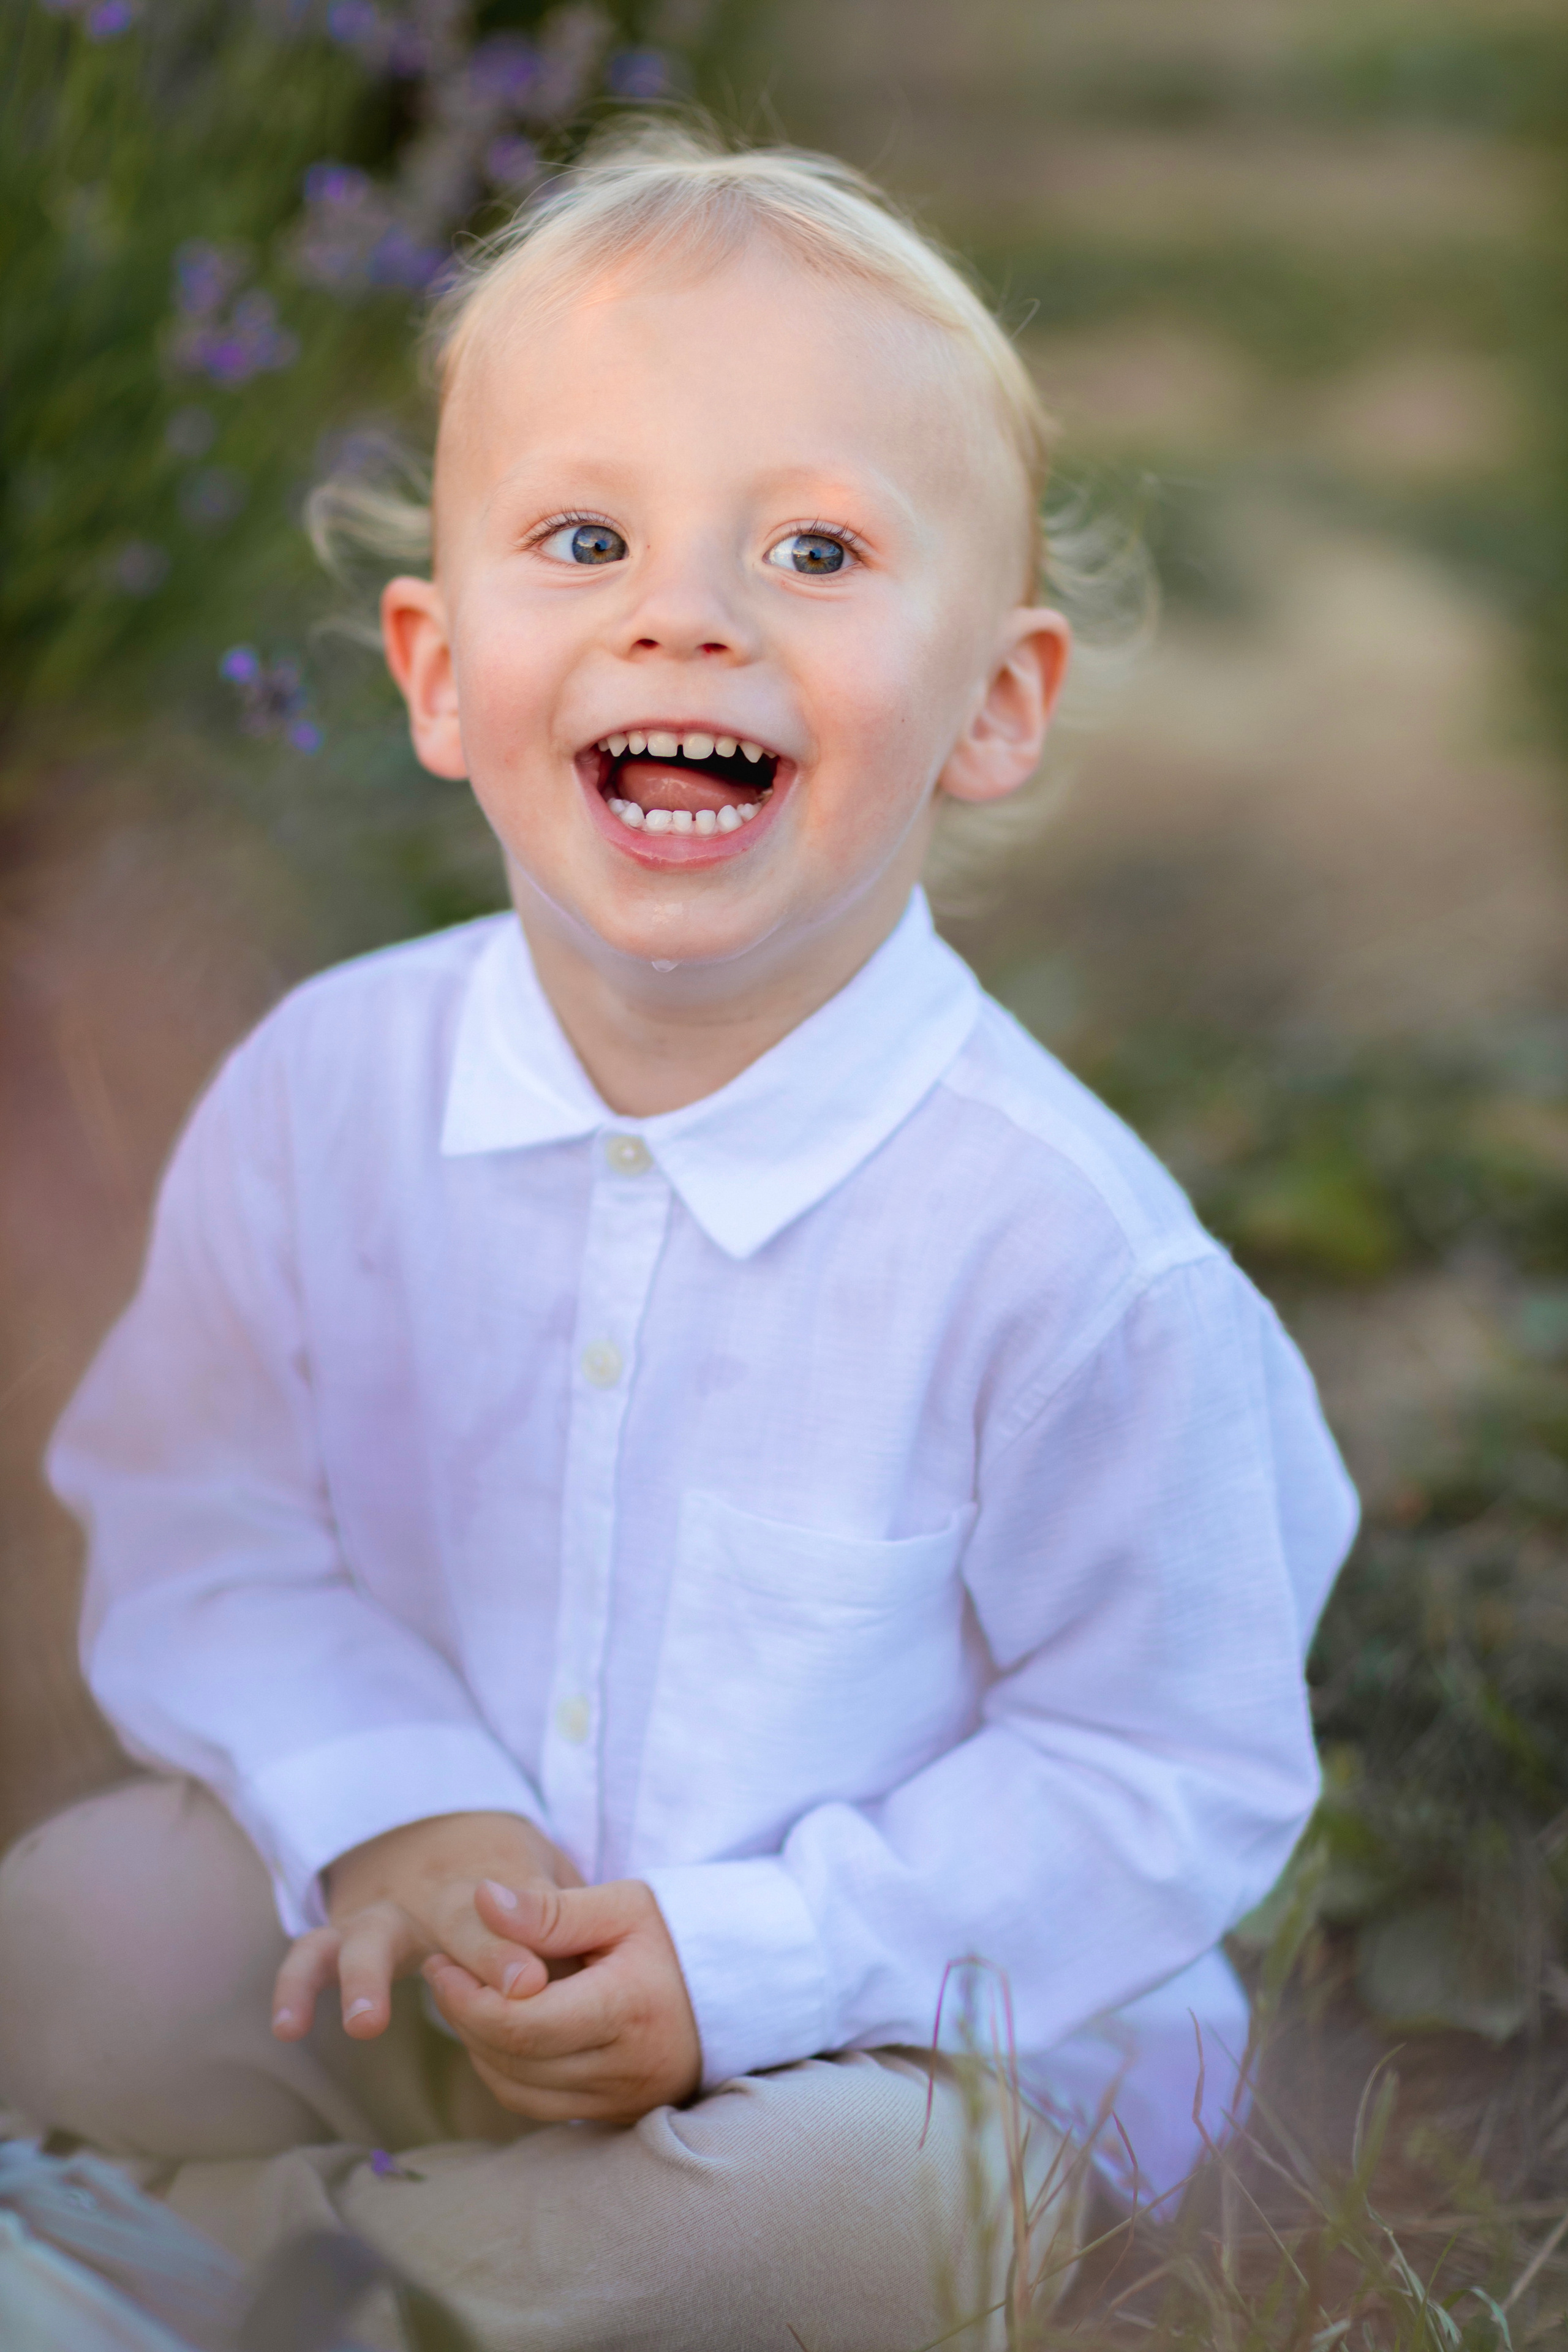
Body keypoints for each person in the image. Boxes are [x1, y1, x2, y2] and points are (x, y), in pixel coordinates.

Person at [0, 124, 1357, 2351]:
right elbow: (201, 1514)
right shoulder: (332, 1101)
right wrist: (395, 1813)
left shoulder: (1066, 1255)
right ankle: (408, 2239)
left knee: (856, 2231)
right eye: (585, 537)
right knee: (70, 1930)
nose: (684, 611)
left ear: (992, 708)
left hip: (887, 2046)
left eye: (817, 548)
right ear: (439, 673)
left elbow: (1157, 1768)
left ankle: (251, 2274)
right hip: (440, 1943)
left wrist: (751, 1966)